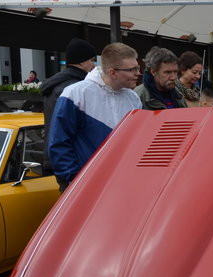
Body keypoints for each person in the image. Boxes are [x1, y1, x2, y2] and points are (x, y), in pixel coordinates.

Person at [47, 42, 142, 191]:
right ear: (113, 72)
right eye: (132, 69)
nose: (138, 73)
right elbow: (59, 142)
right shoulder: (75, 94)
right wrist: (72, 179)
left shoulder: (133, 98)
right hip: (84, 184)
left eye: (137, 67)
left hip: (121, 183)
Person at [40, 38, 97, 148]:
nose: (94, 65)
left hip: (55, 151)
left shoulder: (57, 83)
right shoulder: (74, 88)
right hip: (68, 155)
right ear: (81, 61)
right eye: (91, 60)